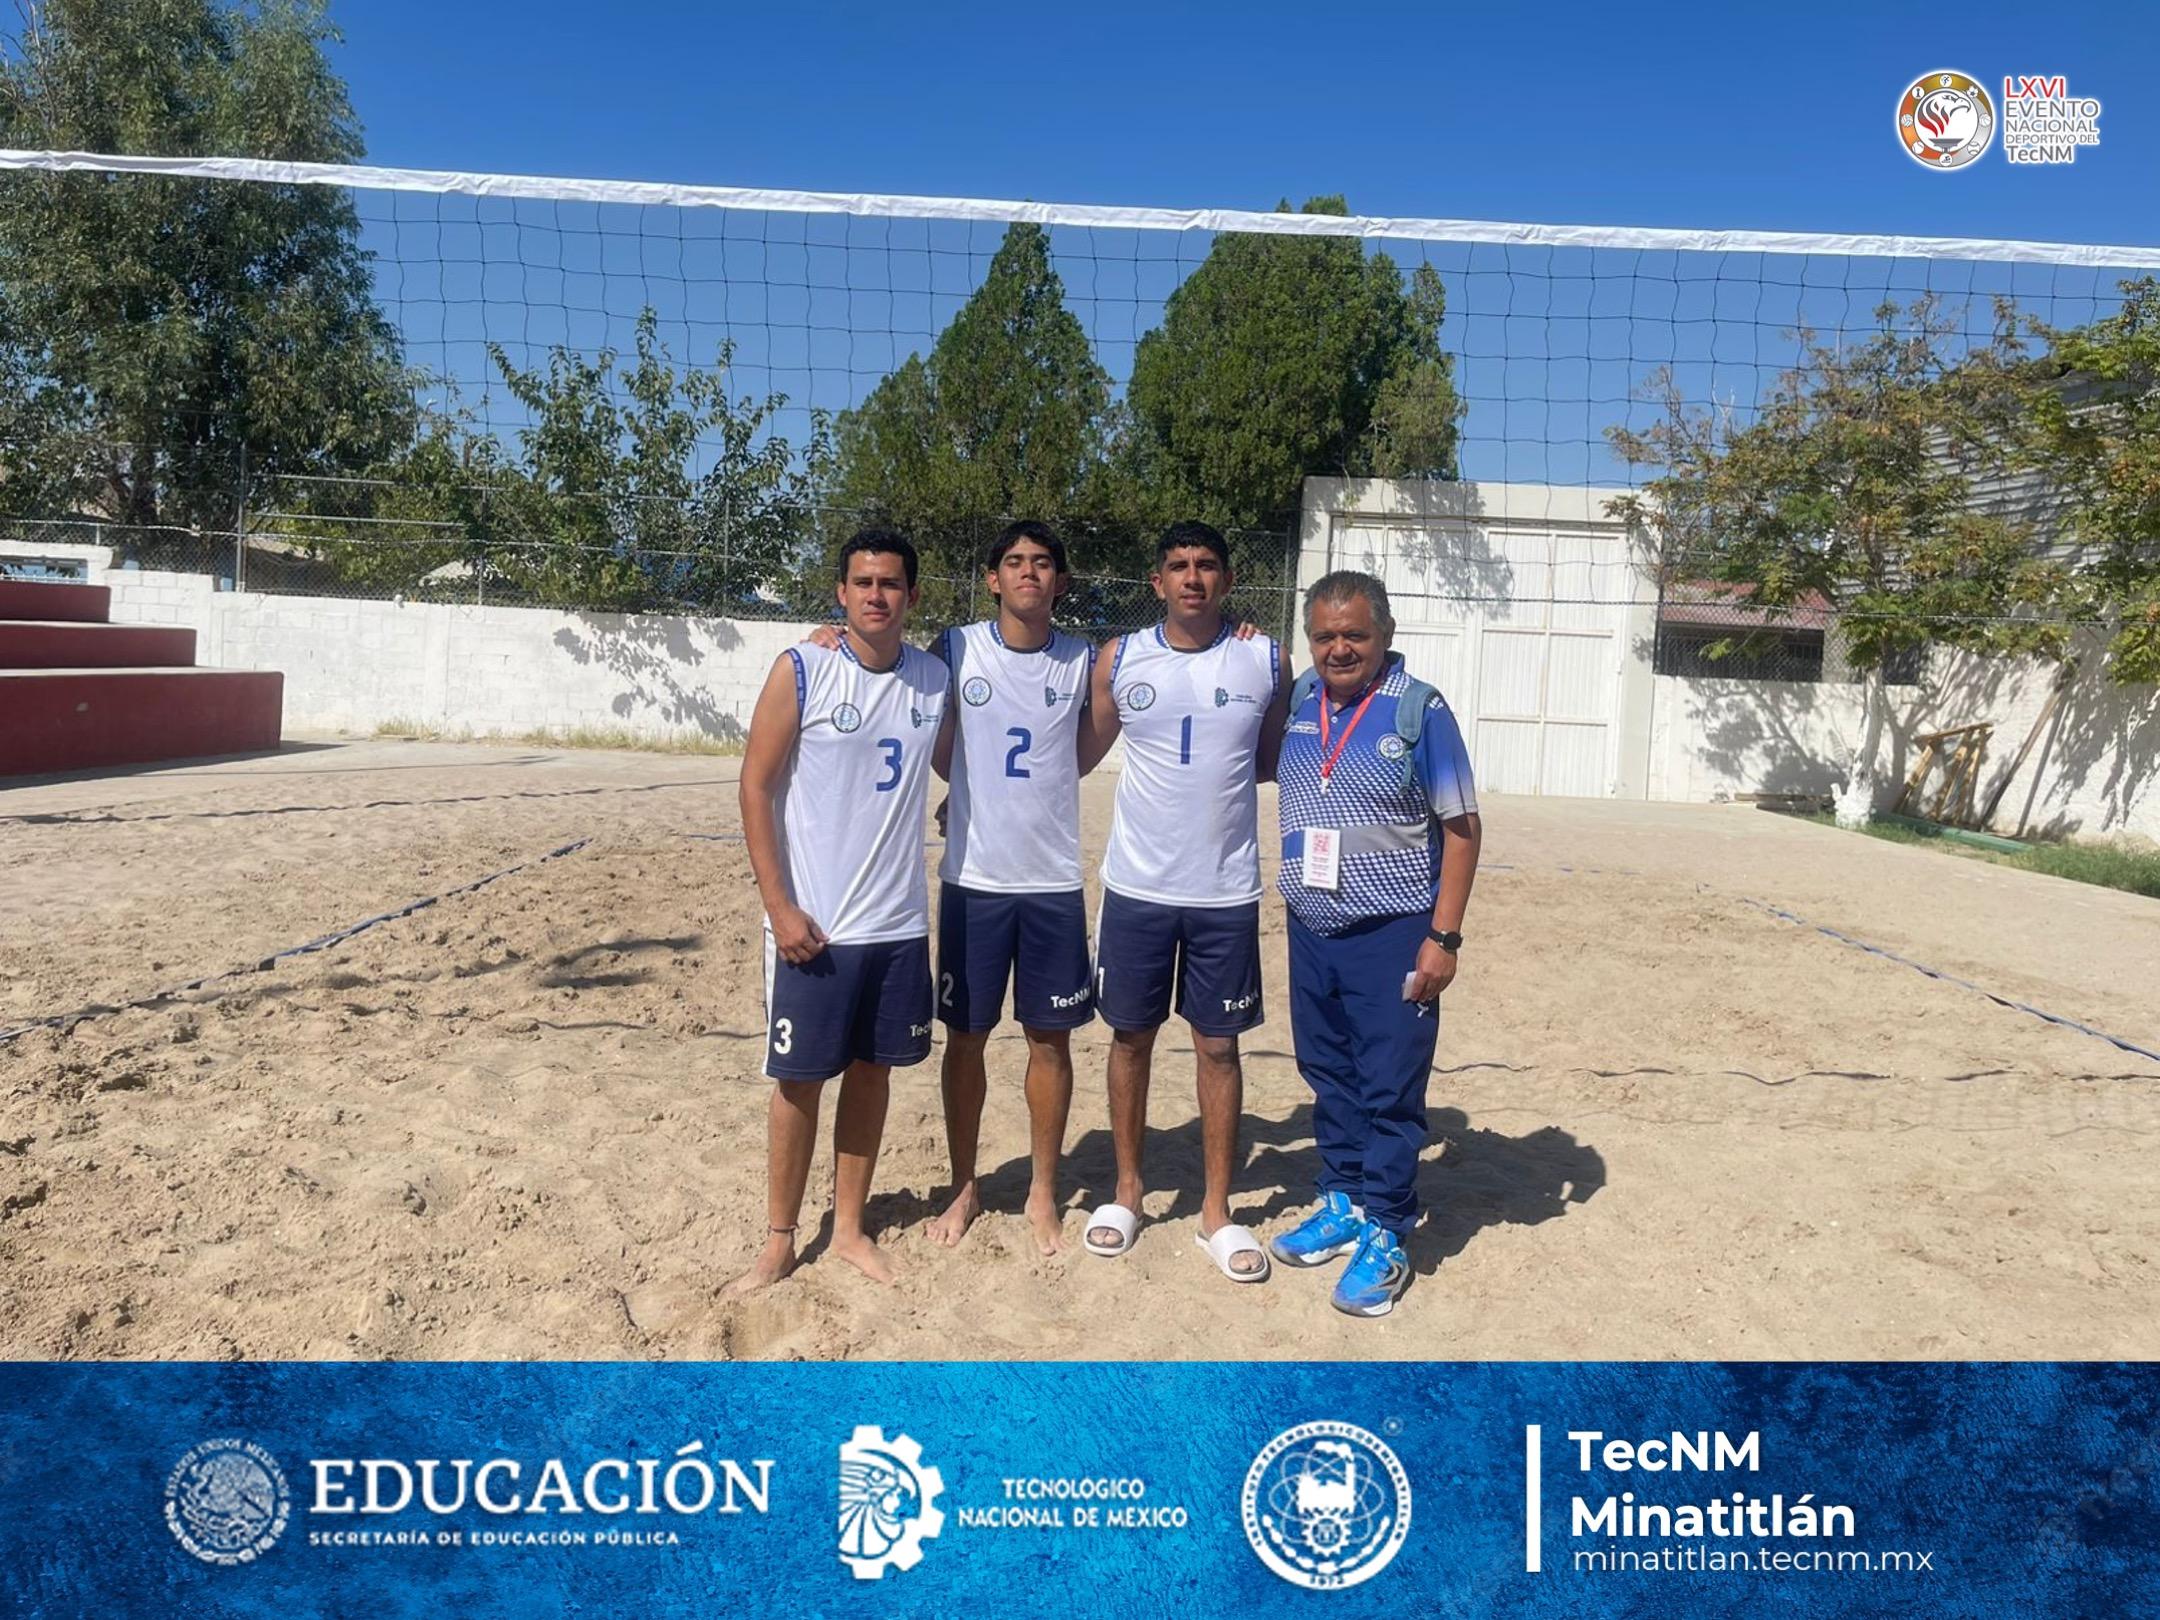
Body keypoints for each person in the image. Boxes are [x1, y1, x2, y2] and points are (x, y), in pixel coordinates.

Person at [728, 528, 949, 1293]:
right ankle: (780, 1237)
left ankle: (849, 1226)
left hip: (897, 926)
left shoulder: (933, 677)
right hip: (814, 927)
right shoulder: (803, 668)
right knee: (798, 1082)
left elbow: (971, 754)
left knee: (872, 1074)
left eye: (891, 583)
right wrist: (780, 906)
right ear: (841, 594)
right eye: (863, 583)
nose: (877, 595)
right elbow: (754, 786)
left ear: (913, 597)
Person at [1081, 520, 1294, 1282]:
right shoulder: (1121, 657)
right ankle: (1129, 1193)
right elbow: (1076, 752)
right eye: (1179, 566)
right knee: (1130, 1040)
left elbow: (1272, 760)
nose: (1193, 577)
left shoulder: (1265, 658)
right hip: (1136, 886)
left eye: (1207, 566)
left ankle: (1216, 1212)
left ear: (1229, 581)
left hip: (1225, 890)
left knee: (1218, 1047)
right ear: (1158, 582)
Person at [1268, 570, 1481, 1318]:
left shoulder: (1420, 712)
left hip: (1392, 932)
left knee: (1390, 1088)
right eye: (1324, 636)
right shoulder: (1300, 703)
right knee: (1329, 1075)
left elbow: (1461, 830)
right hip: (1313, 927)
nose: (1338, 648)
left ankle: (1389, 1227)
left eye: (1354, 634)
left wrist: (1443, 938)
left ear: (1384, 635)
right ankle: (1344, 1201)